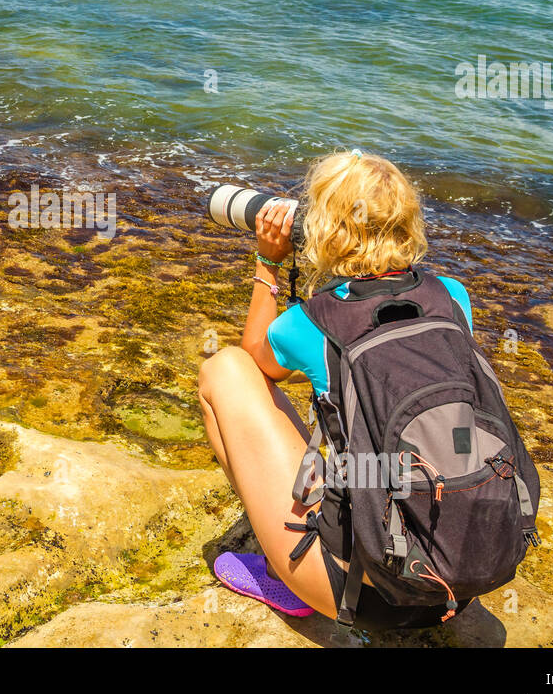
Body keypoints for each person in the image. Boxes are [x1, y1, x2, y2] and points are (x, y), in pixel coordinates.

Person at [198, 150, 475, 630]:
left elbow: (253, 361)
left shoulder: (311, 322)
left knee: (223, 370)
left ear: (321, 228)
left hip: (369, 600)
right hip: (464, 577)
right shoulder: (452, 296)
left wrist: (268, 261)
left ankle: (284, 575)